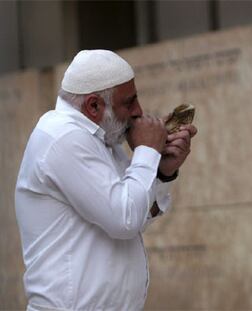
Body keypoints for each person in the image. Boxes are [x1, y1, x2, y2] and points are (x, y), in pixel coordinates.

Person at [15, 49, 197, 310]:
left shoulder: (101, 138)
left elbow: (139, 215)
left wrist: (162, 172)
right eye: (129, 102)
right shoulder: (63, 137)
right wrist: (147, 150)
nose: (139, 112)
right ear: (93, 106)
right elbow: (125, 219)